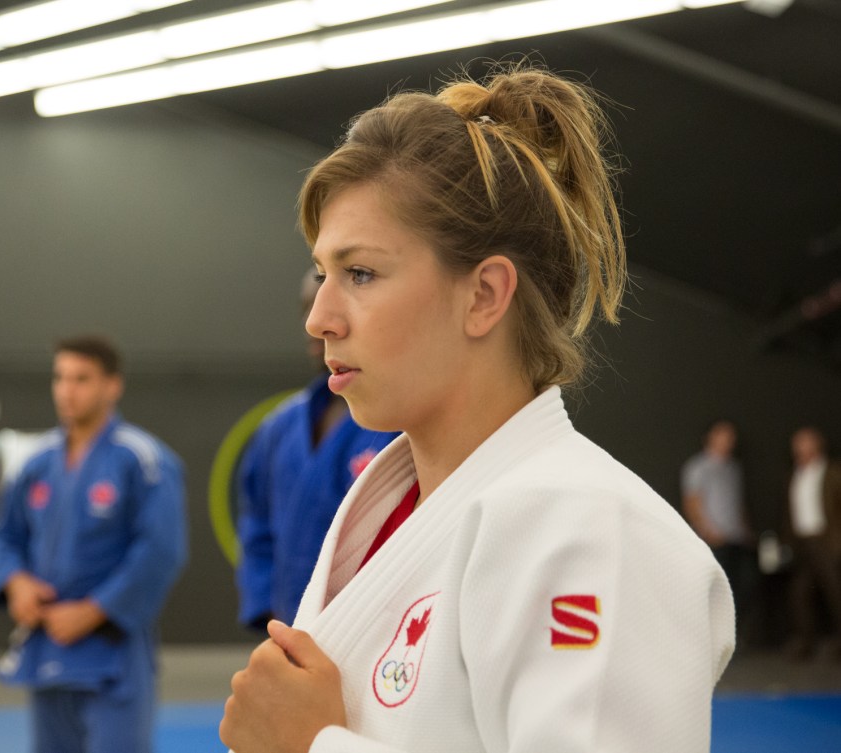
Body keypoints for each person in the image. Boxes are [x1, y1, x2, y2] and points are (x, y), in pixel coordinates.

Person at [220, 63, 734, 753]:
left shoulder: (589, 531)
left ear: (485, 295)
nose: (319, 319)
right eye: (322, 274)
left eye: (361, 273)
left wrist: (314, 744)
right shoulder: (391, 510)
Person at [0, 335, 187, 753]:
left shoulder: (143, 459)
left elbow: (161, 550)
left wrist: (94, 610)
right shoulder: (36, 463)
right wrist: (16, 583)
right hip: (48, 648)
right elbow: (4, 536)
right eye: (59, 378)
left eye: (81, 379)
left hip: (112, 654)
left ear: (112, 386)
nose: (67, 390)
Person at [236, 271, 397, 629]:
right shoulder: (280, 425)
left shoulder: (400, 421)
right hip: (290, 624)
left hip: (373, 632)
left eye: (330, 306)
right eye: (307, 308)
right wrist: (267, 609)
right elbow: (257, 521)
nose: (315, 324)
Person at [681, 419, 754, 635]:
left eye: (731, 437)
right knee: (715, 592)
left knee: (741, 587)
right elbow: (692, 501)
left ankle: (731, 636)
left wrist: (745, 530)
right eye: (722, 435)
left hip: (736, 538)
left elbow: (737, 502)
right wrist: (708, 531)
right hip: (713, 540)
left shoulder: (733, 468)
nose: (727, 441)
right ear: (710, 437)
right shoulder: (698, 467)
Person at [783, 426, 841, 660]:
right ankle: (806, 643)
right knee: (800, 593)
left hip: (826, 540)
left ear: (817, 444)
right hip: (803, 543)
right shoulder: (795, 474)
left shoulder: (833, 472)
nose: (800, 448)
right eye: (797, 443)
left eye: (805, 442)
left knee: (835, 593)